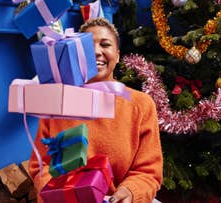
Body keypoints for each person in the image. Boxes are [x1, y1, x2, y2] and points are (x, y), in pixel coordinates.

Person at [29, 17, 163, 203]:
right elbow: (40, 167)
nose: (96, 52)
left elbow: (148, 171)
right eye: (87, 46)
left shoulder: (141, 105)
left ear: (117, 55)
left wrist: (131, 192)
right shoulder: (57, 102)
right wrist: (57, 195)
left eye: (105, 44)